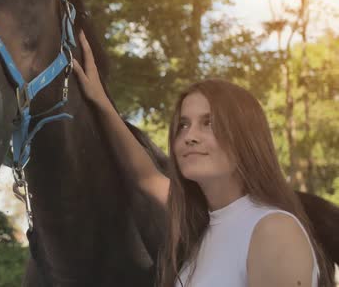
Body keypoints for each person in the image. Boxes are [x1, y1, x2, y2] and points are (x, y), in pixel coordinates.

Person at [71, 31, 333, 287]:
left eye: (208, 123)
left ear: (246, 136)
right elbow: (145, 176)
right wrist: (100, 100)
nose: (189, 136)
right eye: (184, 125)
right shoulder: (205, 225)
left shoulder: (273, 230)